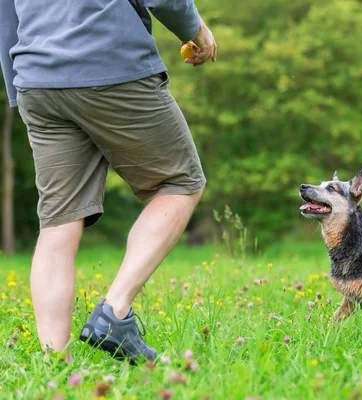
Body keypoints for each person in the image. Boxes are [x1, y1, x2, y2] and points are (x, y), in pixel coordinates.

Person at [0, 0, 217, 364]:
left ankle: (54, 363)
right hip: (110, 63)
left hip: (36, 79)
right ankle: (114, 313)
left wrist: (17, 92)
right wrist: (196, 30)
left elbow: (6, 16)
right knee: (182, 182)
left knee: (58, 221)